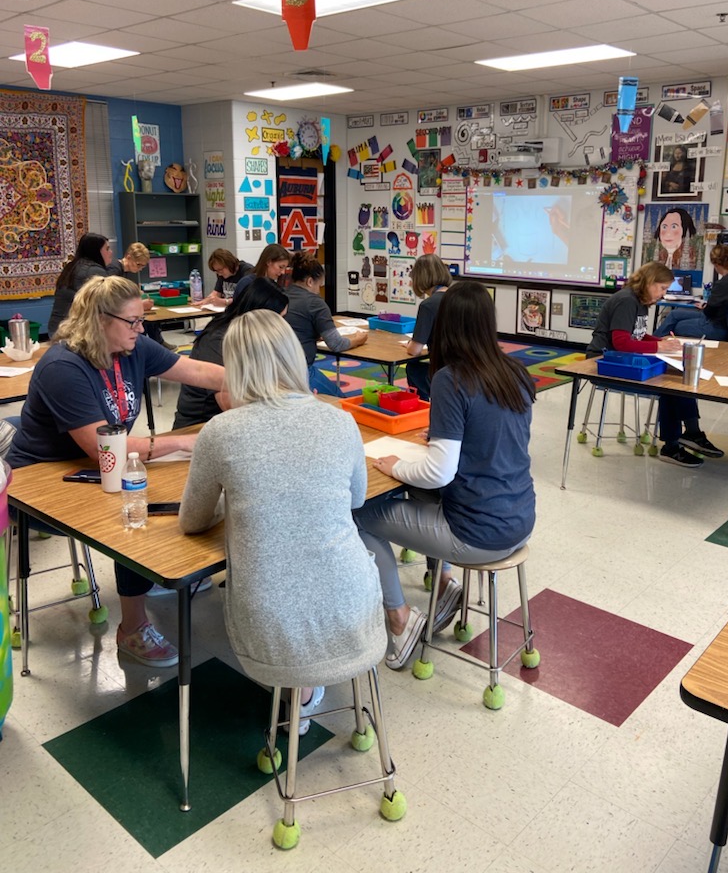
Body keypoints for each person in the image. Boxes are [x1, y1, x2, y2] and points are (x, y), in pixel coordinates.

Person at [178, 309, 386, 733]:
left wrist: (234, 502)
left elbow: (192, 521)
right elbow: (356, 499)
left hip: (268, 618)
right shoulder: (340, 420)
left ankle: (298, 690)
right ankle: (308, 694)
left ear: (233, 367)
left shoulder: (221, 431)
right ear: (294, 357)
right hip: (353, 603)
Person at [7, 276, 225, 667]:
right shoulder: (63, 366)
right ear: (99, 319)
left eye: (141, 321)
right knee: (136, 509)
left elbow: (196, 372)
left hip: (99, 466)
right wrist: (181, 442)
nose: (141, 330)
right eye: (133, 321)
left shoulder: (132, 345)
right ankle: (133, 628)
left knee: (170, 491)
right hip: (44, 480)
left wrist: (266, 384)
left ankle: (156, 575)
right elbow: (101, 447)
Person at [353, 281, 537, 671]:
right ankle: (444, 583)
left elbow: (438, 471)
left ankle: (400, 619)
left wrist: (394, 466)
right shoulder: (515, 373)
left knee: (358, 516)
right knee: (419, 497)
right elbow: (496, 437)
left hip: (478, 533)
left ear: (445, 326)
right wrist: (447, 434)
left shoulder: (451, 379)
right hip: (520, 519)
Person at [586, 261, 723, 467]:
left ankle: (692, 433)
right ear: (649, 282)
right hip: (603, 361)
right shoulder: (627, 301)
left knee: (678, 376)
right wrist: (659, 348)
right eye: (662, 288)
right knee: (668, 385)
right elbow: (621, 342)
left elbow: (637, 336)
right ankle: (672, 445)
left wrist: (660, 341)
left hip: (619, 357)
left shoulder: (639, 301)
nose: (663, 293)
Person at [173, 277, 289, 429]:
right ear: (258, 315)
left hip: (237, 424)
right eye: (278, 319)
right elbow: (230, 404)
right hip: (200, 427)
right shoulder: (217, 341)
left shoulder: (255, 337)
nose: (281, 326)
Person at [284, 251, 367, 396]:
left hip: (274, 370)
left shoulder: (280, 295)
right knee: (341, 401)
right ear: (310, 282)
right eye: (319, 286)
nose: (318, 290)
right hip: (300, 372)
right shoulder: (315, 303)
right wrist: (359, 339)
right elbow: (336, 344)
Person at [656, 244, 728, 340]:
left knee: (676, 325)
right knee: (674, 314)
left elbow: (709, 313)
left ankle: (653, 343)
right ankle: (654, 342)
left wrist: (706, 307)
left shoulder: (722, 284)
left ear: (716, 264)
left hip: (717, 326)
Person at [48, 232, 116, 336]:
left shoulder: (72, 266)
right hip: (72, 332)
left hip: (58, 327)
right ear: (96, 251)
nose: (111, 252)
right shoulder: (93, 271)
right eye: (107, 249)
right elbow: (108, 304)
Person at [405, 255, 452, 400]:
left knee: (413, 368)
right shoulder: (461, 297)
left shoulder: (429, 305)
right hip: (473, 368)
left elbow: (415, 350)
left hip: (446, 372)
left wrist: (409, 345)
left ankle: (424, 408)